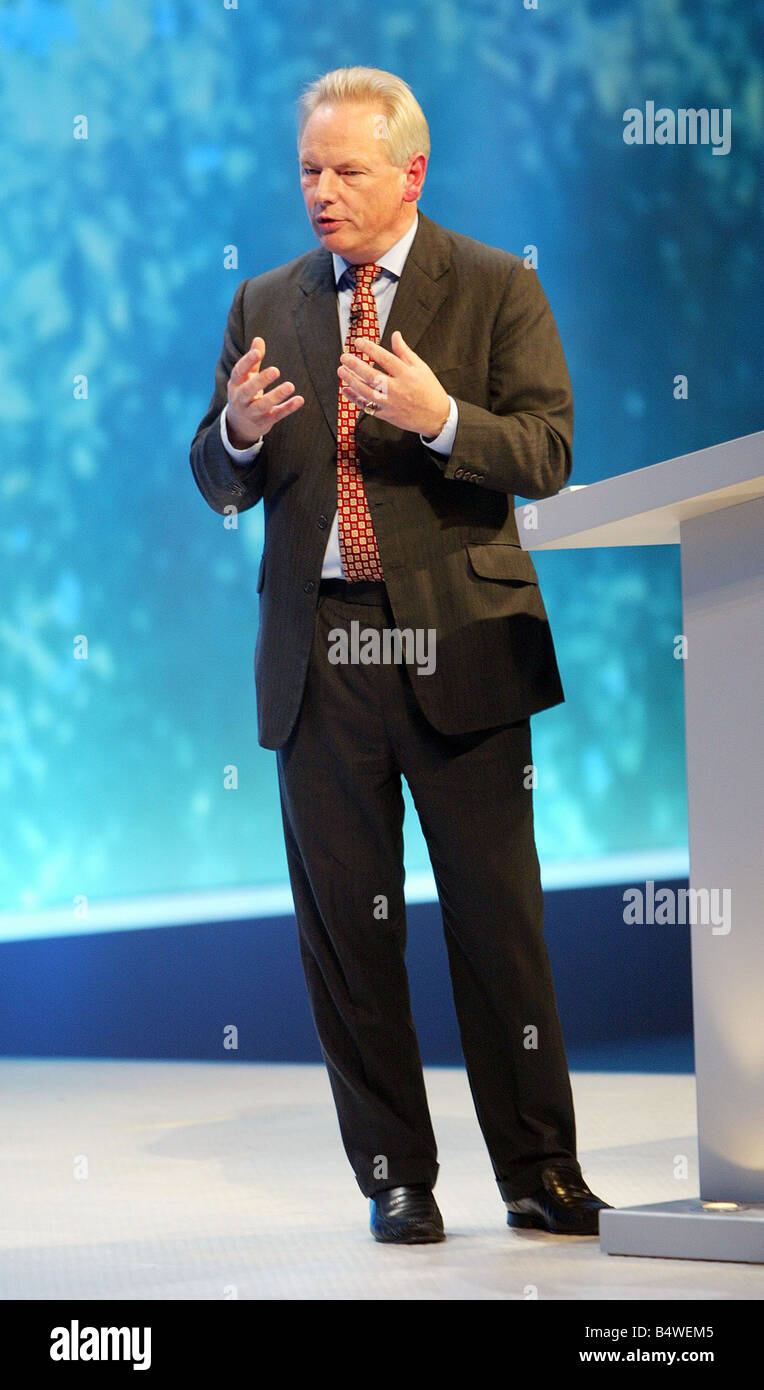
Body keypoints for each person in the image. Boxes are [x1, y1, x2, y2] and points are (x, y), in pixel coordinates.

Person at [190, 65, 611, 1243]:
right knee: (348, 939)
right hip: (318, 658)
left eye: (346, 172)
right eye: (307, 172)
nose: (320, 193)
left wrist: (437, 416)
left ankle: (538, 1170)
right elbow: (212, 475)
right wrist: (236, 431)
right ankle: (396, 1175)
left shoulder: (490, 286)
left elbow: (547, 449)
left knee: (497, 927)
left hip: (462, 647)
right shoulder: (263, 302)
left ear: (409, 172)